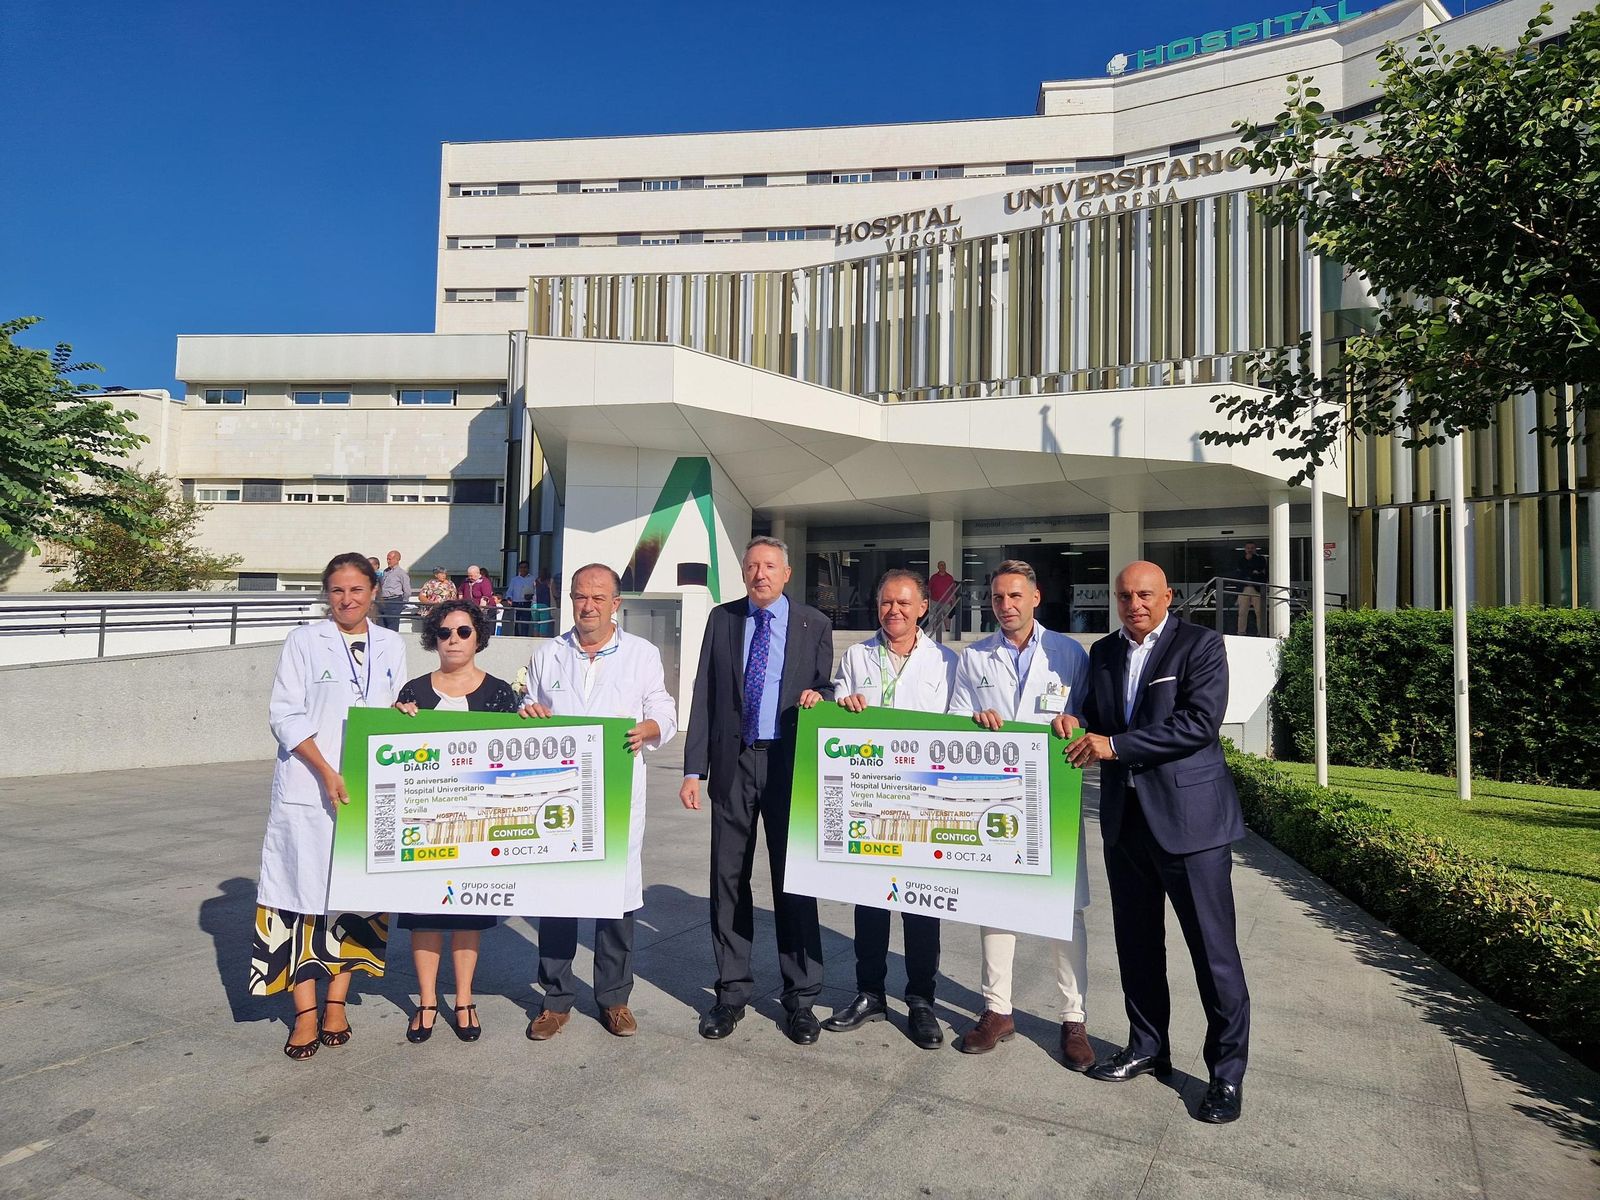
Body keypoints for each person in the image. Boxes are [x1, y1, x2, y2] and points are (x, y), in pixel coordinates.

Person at [1067, 560, 1250, 1124]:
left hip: (1192, 825)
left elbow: (1199, 723)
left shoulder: (1200, 645)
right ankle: (1147, 1047)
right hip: (1126, 823)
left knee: (1214, 956)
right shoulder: (1103, 652)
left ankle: (1225, 1076)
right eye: (1125, 596)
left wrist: (1115, 747)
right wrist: (1073, 722)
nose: (1135, 604)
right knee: (1137, 945)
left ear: (1168, 596)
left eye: (1145, 594)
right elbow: (1095, 715)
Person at [251, 552, 407, 1059]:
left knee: (352, 898)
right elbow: (285, 714)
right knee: (300, 898)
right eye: (338, 590)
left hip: (367, 788)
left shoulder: (391, 644)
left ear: (374, 592)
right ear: (327, 594)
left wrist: (405, 713)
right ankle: (304, 1012)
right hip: (310, 785)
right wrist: (325, 771)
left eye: (357, 590)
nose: (347, 599)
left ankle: (336, 1003)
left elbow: (391, 710)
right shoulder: (303, 640)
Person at [679, 535, 833, 1045]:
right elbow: (704, 692)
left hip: (789, 764)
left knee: (795, 881)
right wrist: (693, 769)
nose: (759, 574)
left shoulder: (814, 623)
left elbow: (826, 687)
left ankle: (801, 999)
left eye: (769, 566)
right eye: (751, 566)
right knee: (728, 880)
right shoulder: (723, 619)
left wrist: (820, 696)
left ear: (786, 573)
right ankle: (730, 992)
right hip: (734, 762)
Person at [947, 559, 1095, 1069]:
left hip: (1053, 795)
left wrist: (1076, 721)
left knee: (1065, 908)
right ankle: (997, 1011)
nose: (1005, 606)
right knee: (996, 901)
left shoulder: (1069, 654)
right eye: (997, 598)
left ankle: (1073, 1018)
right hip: (995, 796)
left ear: (1035, 597)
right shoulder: (974, 657)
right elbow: (954, 719)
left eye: (1014, 596)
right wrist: (975, 718)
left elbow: (1090, 715)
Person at [520, 564, 677, 1040]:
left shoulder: (641, 654)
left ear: (616, 604)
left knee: (616, 897)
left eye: (597, 598)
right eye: (579, 597)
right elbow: (527, 706)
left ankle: (614, 998)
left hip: (615, 793)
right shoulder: (548, 654)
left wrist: (652, 727)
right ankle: (556, 999)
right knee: (557, 895)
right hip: (557, 796)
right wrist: (528, 711)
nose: (587, 606)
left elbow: (662, 707)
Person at [813, 569, 957, 1049]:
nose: (893, 611)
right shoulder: (857, 655)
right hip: (870, 796)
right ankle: (869, 993)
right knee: (870, 901)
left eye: (903, 603)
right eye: (885, 603)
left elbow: (957, 723)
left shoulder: (945, 662)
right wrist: (839, 701)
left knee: (921, 906)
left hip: (923, 801)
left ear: (922, 608)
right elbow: (835, 705)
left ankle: (921, 1000)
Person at [393, 599, 519, 1043]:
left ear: (478, 637)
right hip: (422, 825)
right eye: (444, 632)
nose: (453, 640)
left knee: (468, 914)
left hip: (476, 827)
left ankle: (465, 999)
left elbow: (514, 756)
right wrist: (394, 721)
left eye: (464, 631)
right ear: (433, 638)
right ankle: (427, 1001)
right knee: (423, 916)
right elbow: (392, 753)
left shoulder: (500, 693)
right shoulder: (413, 692)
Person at [1235, 542, 1268, 636]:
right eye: (1248, 548)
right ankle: (1241, 632)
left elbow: (1260, 569)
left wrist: (1251, 565)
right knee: (1242, 612)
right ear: (1245, 549)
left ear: (1255, 549)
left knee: (1259, 612)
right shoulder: (1241, 560)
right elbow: (1239, 573)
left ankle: (1261, 632)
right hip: (1244, 588)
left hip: (1256, 588)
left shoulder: (1261, 559)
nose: (1250, 550)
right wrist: (1252, 572)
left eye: (1252, 548)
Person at [378, 550, 411, 632]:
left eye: (390, 559)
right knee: (381, 627)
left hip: (394, 601)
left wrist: (403, 603)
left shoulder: (401, 573)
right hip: (383, 601)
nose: (388, 561)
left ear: (397, 559)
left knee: (392, 627)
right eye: (387, 559)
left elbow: (407, 590)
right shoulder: (385, 572)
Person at [929, 560, 958, 640]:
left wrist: (954, 602)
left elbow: (953, 591)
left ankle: (947, 632)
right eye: (941, 565)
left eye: (944, 565)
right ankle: (934, 632)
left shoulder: (949, 577)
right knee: (935, 617)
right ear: (938, 567)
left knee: (947, 617)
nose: (943, 566)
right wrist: (930, 599)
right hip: (935, 601)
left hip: (947, 601)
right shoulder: (934, 577)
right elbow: (929, 589)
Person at [462, 565, 495, 635]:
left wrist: (480, 610)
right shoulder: (466, 581)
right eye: (469, 575)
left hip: (483, 609)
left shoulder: (485, 582)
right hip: (470, 609)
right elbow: (460, 592)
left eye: (471, 576)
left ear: (477, 573)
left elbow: (485, 597)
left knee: (483, 627)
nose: (470, 577)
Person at [505, 560, 535, 636]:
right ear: (519, 569)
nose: (523, 569)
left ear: (528, 568)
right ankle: (516, 637)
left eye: (525, 567)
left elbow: (535, 592)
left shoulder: (532, 579)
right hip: (516, 604)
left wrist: (531, 596)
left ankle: (524, 638)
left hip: (527, 603)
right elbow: (509, 592)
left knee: (525, 623)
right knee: (515, 623)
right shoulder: (514, 580)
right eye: (521, 567)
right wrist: (509, 599)